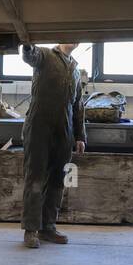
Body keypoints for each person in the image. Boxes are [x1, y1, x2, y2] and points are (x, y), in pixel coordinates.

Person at [19, 42, 86, 249]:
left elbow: (77, 105)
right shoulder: (45, 55)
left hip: (64, 131)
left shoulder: (74, 67)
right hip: (39, 127)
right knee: (36, 178)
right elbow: (30, 56)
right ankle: (31, 230)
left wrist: (80, 135)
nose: (72, 40)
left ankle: (48, 227)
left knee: (58, 180)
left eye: (76, 37)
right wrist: (27, 44)